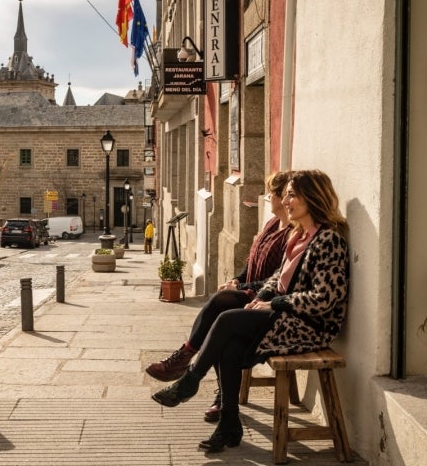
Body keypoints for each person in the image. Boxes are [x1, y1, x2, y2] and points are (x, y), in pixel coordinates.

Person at [150, 170, 350, 453]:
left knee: (227, 320)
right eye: (288, 194)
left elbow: (326, 298)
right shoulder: (299, 234)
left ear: (312, 197)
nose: (287, 200)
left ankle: (190, 381)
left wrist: (275, 303)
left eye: (293, 195)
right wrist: (264, 297)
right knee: (229, 344)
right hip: (284, 317)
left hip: (310, 326)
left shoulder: (329, 239)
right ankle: (229, 424)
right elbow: (277, 278)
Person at [146, 171, 293, 422]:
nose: (269, 196)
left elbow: (280, 279)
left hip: (265, 300)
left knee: (220, 310)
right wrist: (237, 279)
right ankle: (220, 397)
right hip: (252, 292)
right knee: (220, 312)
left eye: (273, 193)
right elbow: (252, 261)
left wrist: (247, 288)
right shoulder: (271, 224)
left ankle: (186, 362)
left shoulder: (291, 233)